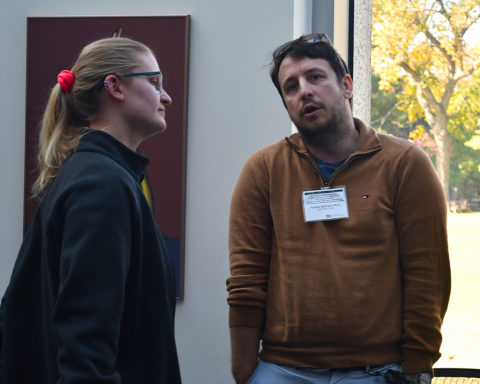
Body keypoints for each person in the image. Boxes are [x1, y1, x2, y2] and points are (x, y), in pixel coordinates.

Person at [226, 34, 451, 384]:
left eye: (315, 77)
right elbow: (246, 280)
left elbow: (428, 275)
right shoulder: (264, 170)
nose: (304, 91)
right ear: (286, 103)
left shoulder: (405, 163)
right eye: (291, 87)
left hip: (378, 370)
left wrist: (416, 370)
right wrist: (244, 371)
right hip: (282, 369)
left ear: (346, 86)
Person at [0, 37, 182, 384]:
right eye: (154, 82)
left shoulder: (94, 175)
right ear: (114, 86)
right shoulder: (102, 184)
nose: (166, 96)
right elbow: (85, 342)